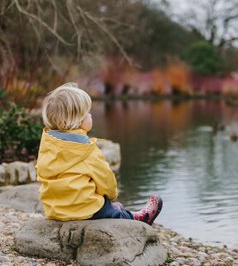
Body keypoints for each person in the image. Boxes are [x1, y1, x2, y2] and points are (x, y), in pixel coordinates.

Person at [35, 82, 162, 224]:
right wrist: (112, 197)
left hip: (55, 210)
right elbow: (106, 181)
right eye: (87, 114)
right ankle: (138, 218)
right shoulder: (86, 150)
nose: (90, 116)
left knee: (100, 201)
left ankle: (112, 208)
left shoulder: (47, 145)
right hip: (85, 209)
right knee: (112, 211)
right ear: (77, 122)